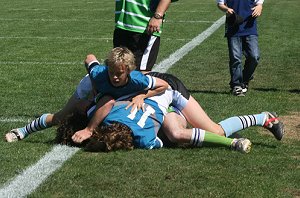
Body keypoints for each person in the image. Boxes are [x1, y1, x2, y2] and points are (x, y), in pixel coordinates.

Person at [5, 47, 168, 142]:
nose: (115, 76)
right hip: (90, 87)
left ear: (129, 71)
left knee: (110, 108)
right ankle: (22, 131)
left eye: (119, 73)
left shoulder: (138, 79)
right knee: (61, 117)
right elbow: (89, 58)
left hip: (108, 95)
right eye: (112, 72)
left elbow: (164, 85)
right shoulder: (99, 74)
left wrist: (142, 96)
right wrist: (94, 84)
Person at [217, 0, 264, 96]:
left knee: (254, 56)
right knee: (235, 58)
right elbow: (220, 4)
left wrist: (259, 6)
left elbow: (259, 2)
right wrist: (227, 9)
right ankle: (236, 85)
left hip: (250, 26)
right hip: (233, 26)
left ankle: (245, 79)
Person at [113, 0, 176, 72]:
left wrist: (157, 16)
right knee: (120, 71)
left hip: (144, 27)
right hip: (121, 26)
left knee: (142, 73)